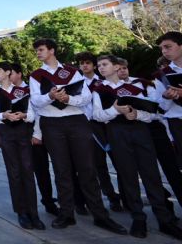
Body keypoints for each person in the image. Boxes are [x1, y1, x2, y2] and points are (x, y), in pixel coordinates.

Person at [29, 38, 126, 234]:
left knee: (87, 169)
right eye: (37, 50)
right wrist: (51, 96)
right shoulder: (36, 75)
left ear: (52, 50)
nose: (38, 53)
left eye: (41, 49)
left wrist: (68, 98)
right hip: (52, 124)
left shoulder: (72, 71)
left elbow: (86, 97)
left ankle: (100, 215)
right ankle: (67, 214)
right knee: (61, 170)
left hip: (76, 121)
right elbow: (35, 101)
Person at [92, 55, 182, 239]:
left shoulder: (139, 85)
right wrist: (115, 110)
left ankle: (164, 219)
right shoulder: (99, 89)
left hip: (141, 131)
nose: (100, 68)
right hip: (116, 132)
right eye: (99, 65)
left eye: (105, 64)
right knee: (128, 175)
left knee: (151, 175)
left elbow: (153, 113)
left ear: (117, 67)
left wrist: (136, 114)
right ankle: (138, 218)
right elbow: (97, 115)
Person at [0, 62, 44, 230]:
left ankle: (34, 213)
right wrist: (3, 115)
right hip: (6, 132)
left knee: (27, 170)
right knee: (14, 172)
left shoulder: (23, 91)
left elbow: (33, 114)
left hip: (23, 131)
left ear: (8, 72)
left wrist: (24, 115)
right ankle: (22, 212)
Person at [122, 58, 182, 215]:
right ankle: (164, 210)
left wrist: (142, 113)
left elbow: (159, 108)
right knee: (148, 173)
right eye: (117, 68)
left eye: (123, 68)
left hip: (155, 129)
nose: (120, 71)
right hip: (132, 131)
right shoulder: (106, 89)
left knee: (172, 170)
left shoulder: (144, 84)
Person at [75, 51, 123, 212]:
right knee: (98, 165)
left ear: (94, 65)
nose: (84, 66)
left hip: (110, 124)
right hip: (89, 126)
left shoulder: (104, 82)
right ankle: (111, 196)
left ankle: (128, 195)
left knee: (121, 162)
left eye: (87, 62)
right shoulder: (77, 83)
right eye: (81, 63)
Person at [10, 63, 58, 216]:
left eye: (10, 73)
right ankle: (47, 202)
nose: (8, 77)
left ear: (19, 74)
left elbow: (39, 111)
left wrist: (37, 133)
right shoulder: (6, 92)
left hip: (43, 131)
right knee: (39, 170)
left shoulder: (30, 90)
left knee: (59, 167)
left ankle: (54, 201)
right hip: (25, 136)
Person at [154, 32, 182, 158]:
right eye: (162, 48)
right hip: (178, 122)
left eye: (168, 47)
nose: (164, 51)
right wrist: (166, 97)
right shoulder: (162, 74)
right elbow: (162, 106)